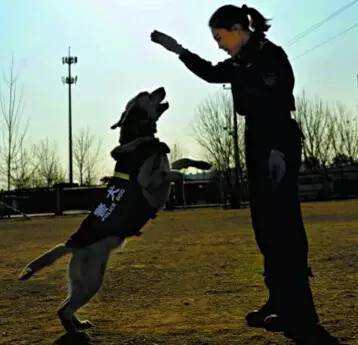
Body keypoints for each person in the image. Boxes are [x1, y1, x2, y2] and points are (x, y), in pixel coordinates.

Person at [150, 4, 341, 345]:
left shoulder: (271, 56)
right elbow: (210, 73)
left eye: (221, 37)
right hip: (256, 139)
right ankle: (279, 298)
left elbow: (281, 103)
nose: (219, 45)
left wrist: (279, 151)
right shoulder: (240, 62)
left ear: (239, 28)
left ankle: (301, 313)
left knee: (285, 228)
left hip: (276, 140)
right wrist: (178, 50)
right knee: (265, 227)